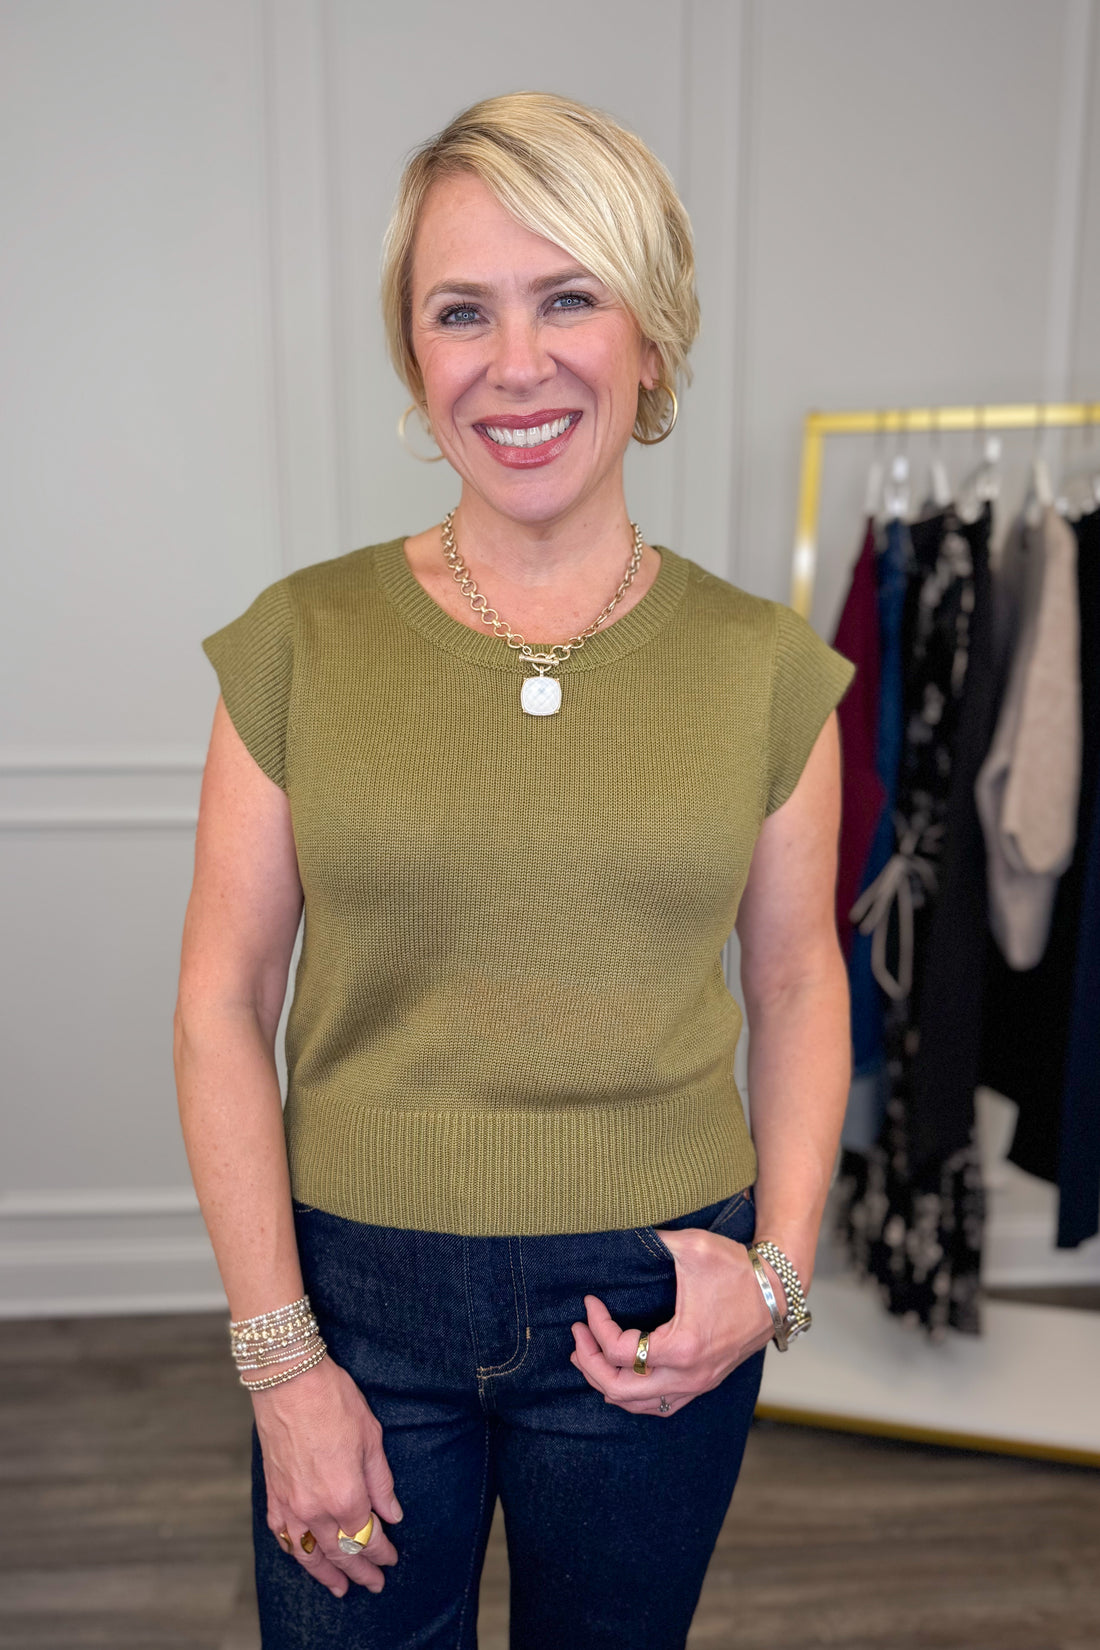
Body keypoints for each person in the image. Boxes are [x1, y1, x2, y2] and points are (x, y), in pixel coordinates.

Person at [173, 90, 856, 1650]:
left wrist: (780, 1275)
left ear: (653, 335)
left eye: (571, 298)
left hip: (660, 1290)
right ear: (417, 358)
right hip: (351, 1296)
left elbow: (801, 979)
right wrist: (285, 1362)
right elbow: (219, 1000)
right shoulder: (300, 640)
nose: (518, 361)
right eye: (460, 311)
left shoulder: (766, 669)